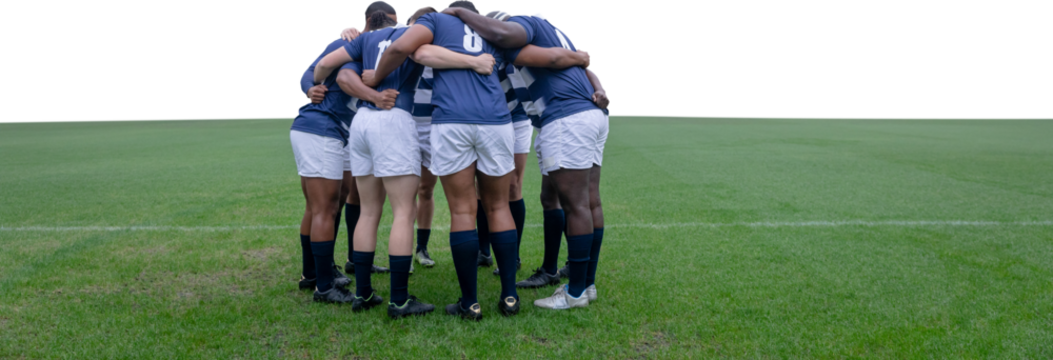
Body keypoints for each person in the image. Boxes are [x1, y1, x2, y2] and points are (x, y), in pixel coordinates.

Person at [314, 2, 499, 318]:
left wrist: (325, 82)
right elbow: (423, 55)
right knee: (403, 211)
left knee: (369, 211)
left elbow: (324, 67)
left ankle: (363, 292)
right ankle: (398, 300)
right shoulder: (412, 34)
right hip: (394, 119)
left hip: (362, 124)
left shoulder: (362, 39)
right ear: (398, 20)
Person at [442, 8, 610, 310]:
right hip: (590, 115)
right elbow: (585, 63)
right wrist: (599, 88)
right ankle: (586, 284)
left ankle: (574, 292)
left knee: (577, 205)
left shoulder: (520, 26)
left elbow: (510, 37)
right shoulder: (555, 31)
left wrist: (461, 13)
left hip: (566, 116)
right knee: (589, 201)